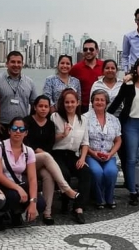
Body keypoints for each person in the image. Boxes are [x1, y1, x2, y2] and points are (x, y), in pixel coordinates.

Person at [108, 56, 139, 206]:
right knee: (130, 159)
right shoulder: (129, 84)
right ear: (136, 68)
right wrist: (103, 116)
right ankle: (132, 192)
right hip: (131, 124)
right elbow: (117, 101)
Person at [23, 95, 80, 225]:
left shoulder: (50, 124)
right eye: (40, 106)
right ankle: (65, 188)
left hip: (40, 161)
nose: (43, 109)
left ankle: (47, 213)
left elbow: (50, 144)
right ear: (35, 107)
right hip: (26, 159)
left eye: (46, 107)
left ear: (49, 108)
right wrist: (38, 151)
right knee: (47, 156)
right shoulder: (27, 121)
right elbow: (25, 142)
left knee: (48, 175)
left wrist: (64, 135)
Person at [0, 117, 46, 229]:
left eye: (21, 129)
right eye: (14, 128)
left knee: (40, 203)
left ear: (26, 133)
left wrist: (33, 202)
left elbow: (32, 179)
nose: (18, 131)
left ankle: (16, 212)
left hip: (16, 183)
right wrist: (18, 188)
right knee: (15, 195)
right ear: (9, 131)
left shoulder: (28, 151)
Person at [51, 89, 92, 224]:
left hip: (72, 154)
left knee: (86, 172)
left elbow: (85, 143)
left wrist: (82, 158)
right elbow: (49, 140)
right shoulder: (55, 117)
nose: (70, 105)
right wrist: (63, 134)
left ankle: (78, 207)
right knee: (65, 173)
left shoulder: (83, 120)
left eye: (72, 102)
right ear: (63, 103)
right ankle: (64, 202)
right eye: (67, 102)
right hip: (56, 153)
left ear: (78, 103)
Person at [85, 89, 122, 209]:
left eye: (102, 100)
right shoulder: (84, 118)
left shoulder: (114, 119)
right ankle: (99, 199)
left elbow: (118, 140)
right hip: (91, 155)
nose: (99, 102)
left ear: (106, 102)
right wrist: (93, 153)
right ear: (92, 102)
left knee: (111, 172)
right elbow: (82, 141)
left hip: (108, 155)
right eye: (97, 100)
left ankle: (110, 198)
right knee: (97, 172)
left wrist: (111, 154)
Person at [0, 51, 38, 135]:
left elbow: (35, 105)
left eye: (19, 62)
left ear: (22, 64)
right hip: (1, 126)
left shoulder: (29, 82)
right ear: (7, 64)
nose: (16, 65)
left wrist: (30, 122)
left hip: (22, 127)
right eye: (13, 62)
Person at [70, 39, 104, 113]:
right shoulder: (76, 68)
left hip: (101, 105)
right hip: (82, 107)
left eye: (91, 49)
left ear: (97, 51)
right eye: (85, 49)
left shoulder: (104, 66)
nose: (88, 51)